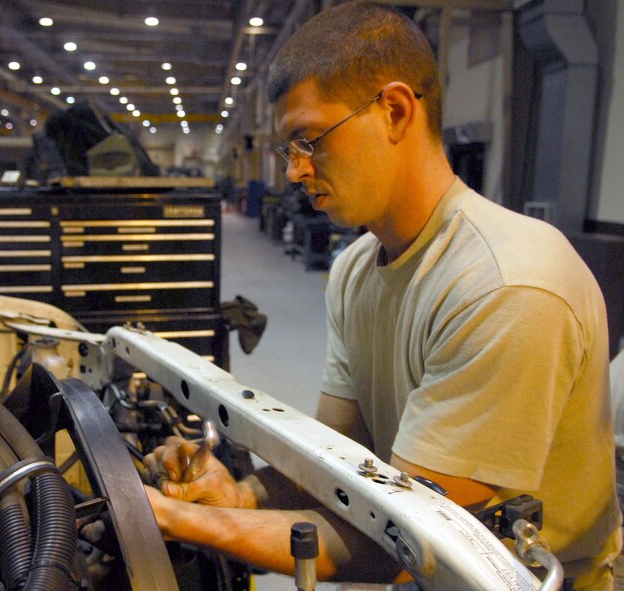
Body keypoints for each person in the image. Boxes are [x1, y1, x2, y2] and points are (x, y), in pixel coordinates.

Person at [144, 2, 622, 589]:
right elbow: (342, 459)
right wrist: (240, 493)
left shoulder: (506, 288)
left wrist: (181, 519)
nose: (294, 171)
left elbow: (408, 546)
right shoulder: (354, 268)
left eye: (309, 140)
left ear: (394, 111)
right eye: (286, 150)